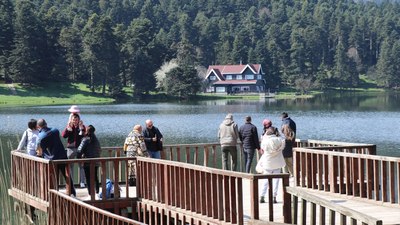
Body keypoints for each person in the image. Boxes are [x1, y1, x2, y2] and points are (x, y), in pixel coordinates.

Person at [36, 119, 76, 197]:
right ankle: (72, 193)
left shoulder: (40, 136)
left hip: (51, 159)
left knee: (53, 177)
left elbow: (38, 149)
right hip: (62, 156)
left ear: (38, 126)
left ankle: (54, 194)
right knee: (67, 175)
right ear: (46, 124)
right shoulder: (55, 130)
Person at [257, 126, 285, 204]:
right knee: (276, 181)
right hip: (277, 163)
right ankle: (274, 196)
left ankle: (262, 196)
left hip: (267, 163)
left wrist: (265, 134)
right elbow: (283, 139)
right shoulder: (280, 140)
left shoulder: (265, 141)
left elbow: (262, 147)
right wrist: (279, 133)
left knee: (266, 180)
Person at [62, 112, 86, 188]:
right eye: (74, 120)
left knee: (81, 165)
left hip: (80, 148)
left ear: (79, 120)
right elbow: (63, 136)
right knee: (70, 166)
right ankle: (71, 182)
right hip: (70, 149)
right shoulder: (69, 126)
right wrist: (67, 129)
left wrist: (82, 128)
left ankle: (82, 182)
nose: (75, 121)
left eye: (76, 120)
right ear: (71, 120)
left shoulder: (82, 126)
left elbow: (85, 135)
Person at [77, 125, 101, 196]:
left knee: (88, 178)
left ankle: (91, 193)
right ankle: (97, 192)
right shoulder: (96, 140)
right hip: (96, 161)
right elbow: (99, 150)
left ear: (87, 131)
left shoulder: (85, 139)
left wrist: (79, 157)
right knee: (95, 176)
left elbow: (79, 150)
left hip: (87, 162)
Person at [281, 112, 296, 177]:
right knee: (290, 162)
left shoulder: (284, 123)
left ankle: (285, 174)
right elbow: (294, 133)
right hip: (290, 144)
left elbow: (281, 132)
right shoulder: (292, 122)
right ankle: (292, 174)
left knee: (283, 162)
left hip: (283, 146)